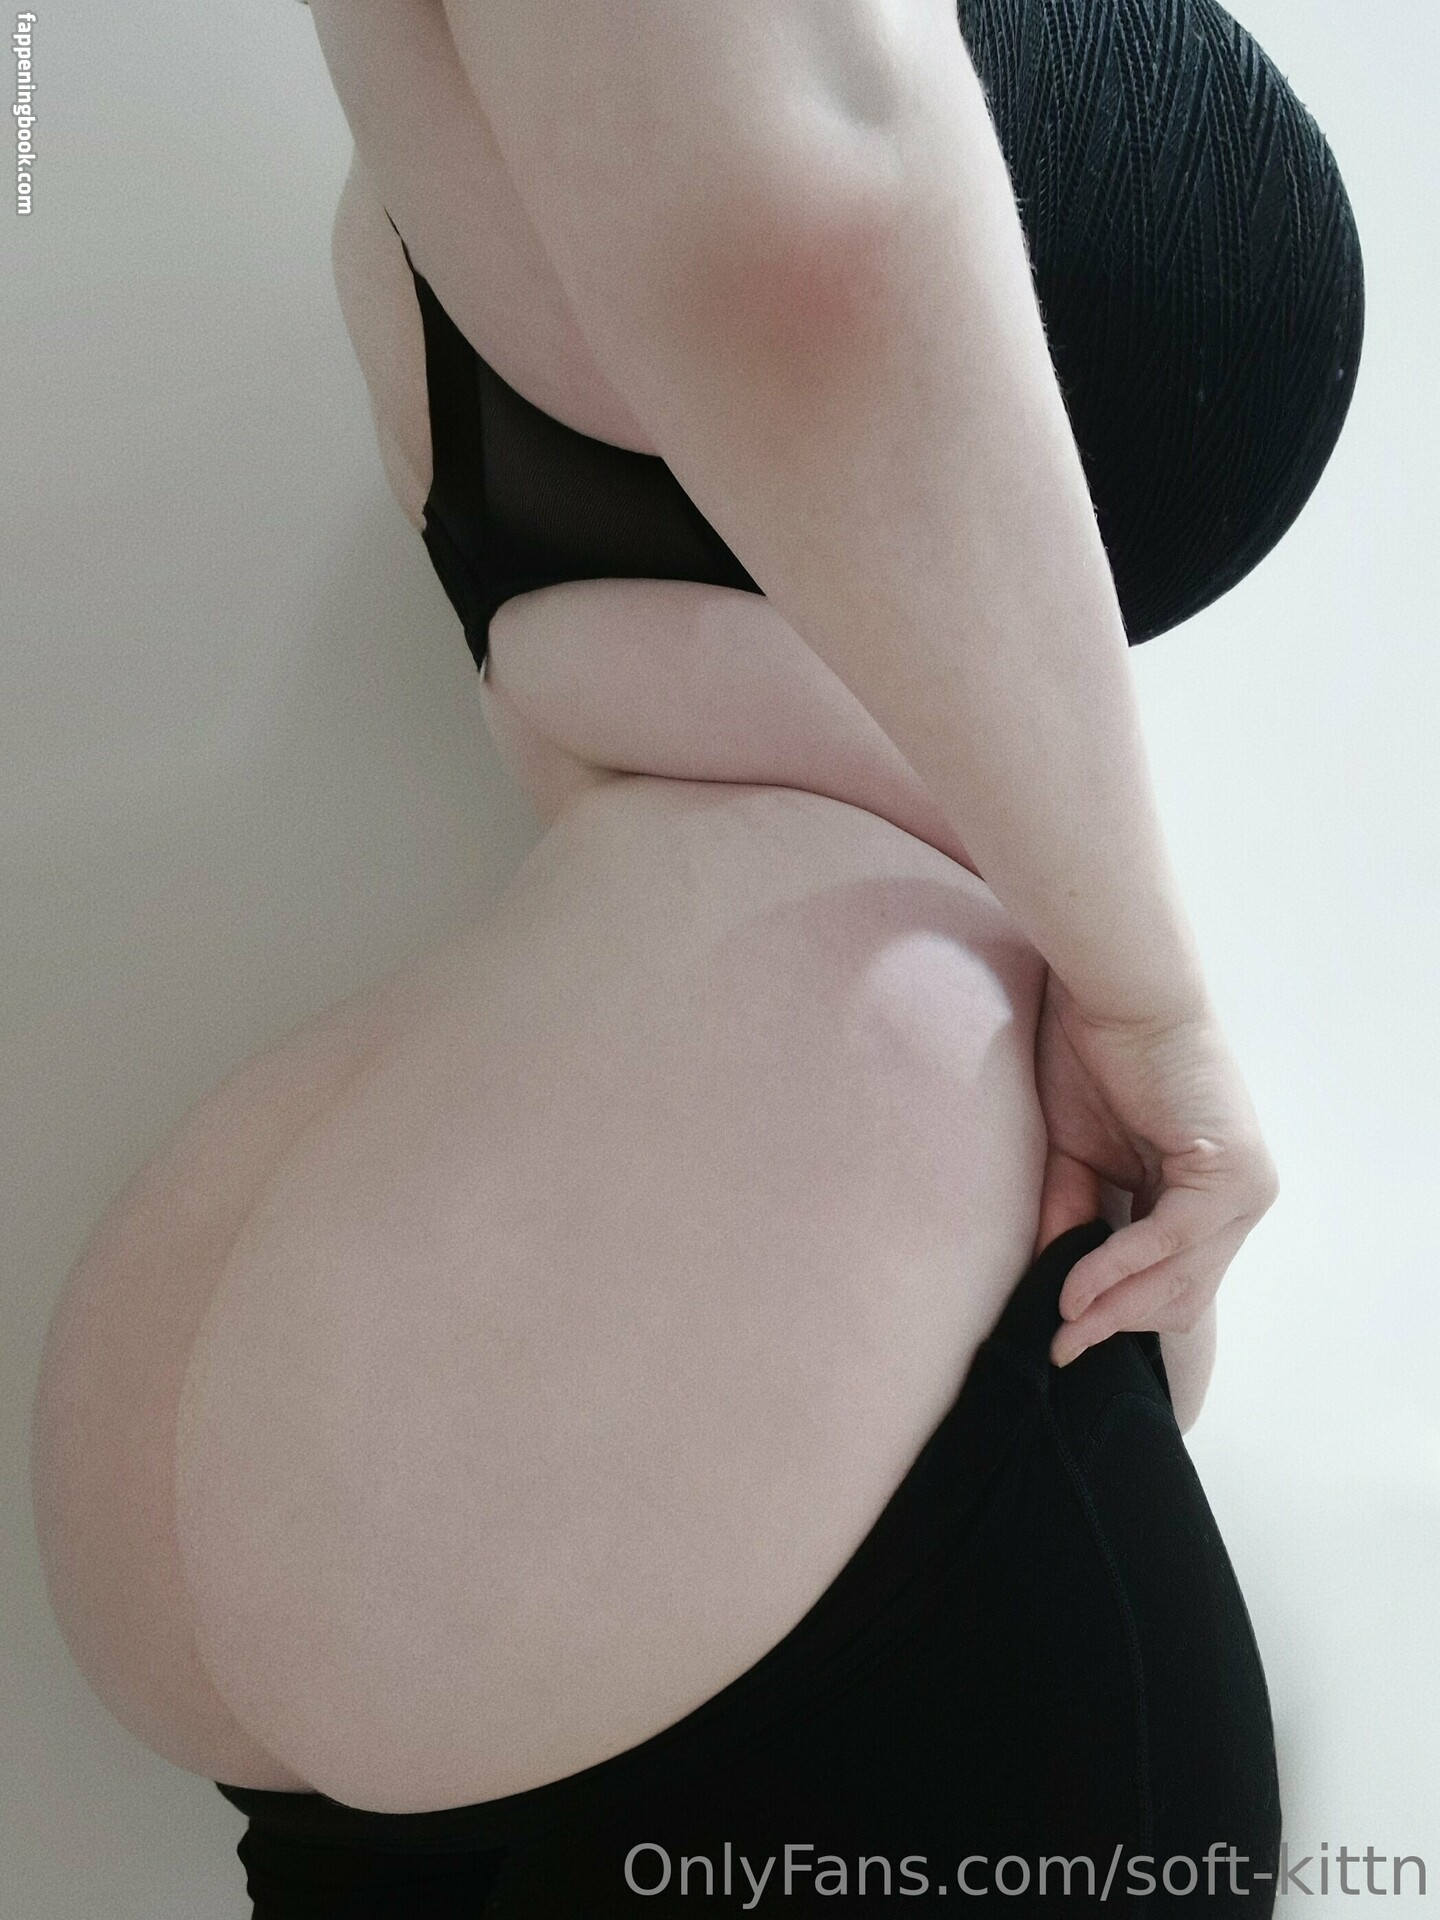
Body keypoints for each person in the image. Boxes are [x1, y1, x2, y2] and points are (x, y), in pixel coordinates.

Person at [28, 0, 1363, 1913]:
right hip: (741, 1250)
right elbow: (811, 225)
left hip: (428, 1256)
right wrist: (1148, 1003)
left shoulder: (453, 174)